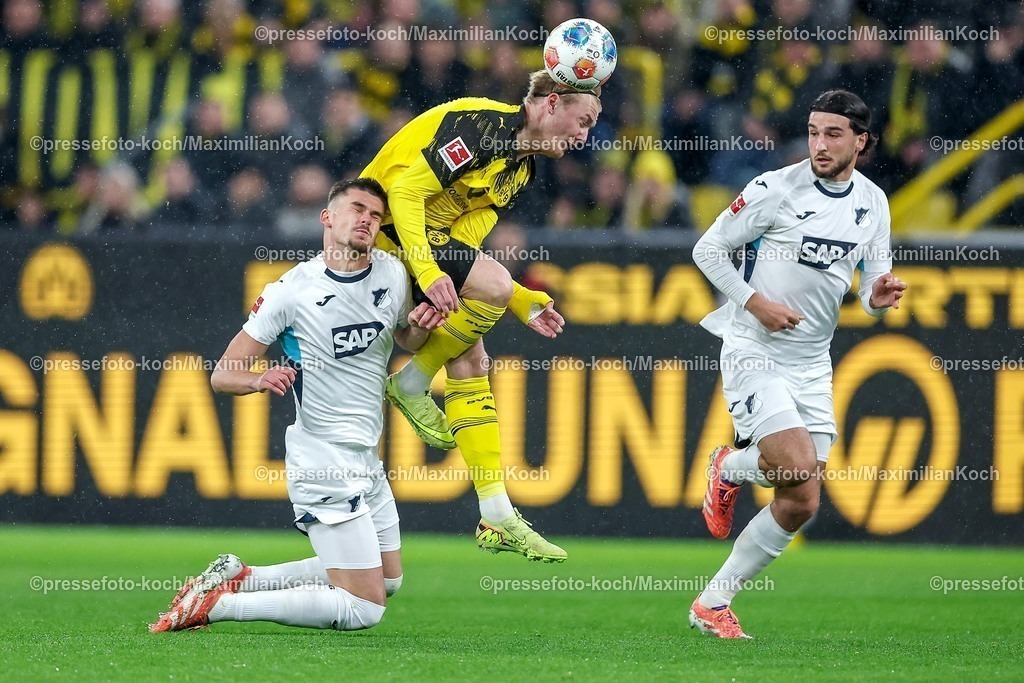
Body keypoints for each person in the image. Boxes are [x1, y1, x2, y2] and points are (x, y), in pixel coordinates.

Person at [150, 178, 444, 633]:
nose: (367, 219)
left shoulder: (392, 273)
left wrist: (421, 328)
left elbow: (403, 336)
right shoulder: (292, 291)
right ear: (327, 217)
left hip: (366, 455)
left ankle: (239, 580)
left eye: (376, 214)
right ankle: (216, 608)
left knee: (389, 580)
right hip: (322, 459)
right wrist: (258, 378)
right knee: (364, 609)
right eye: (357, 208)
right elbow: (223, 374)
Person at [359, 70, 604, 562]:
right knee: (489, 288)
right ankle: (411, 383)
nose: (585, 136)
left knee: (473, 360)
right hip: (374, 233)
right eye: (583, 120)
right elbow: (405, 193)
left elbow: (464, 239)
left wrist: (508, 298)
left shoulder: (520, 171)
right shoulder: (481, 129)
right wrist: (432, 275)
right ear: (551, 104)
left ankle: (496, 513)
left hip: (415, 246)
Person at [690, 90, 907, 638]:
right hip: (753, 347)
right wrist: (754, 302)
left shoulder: (874, 202)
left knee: (801, 499)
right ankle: (731, 468)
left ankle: (713, 601)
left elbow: (870, 282)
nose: (820, 144)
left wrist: (875, 297)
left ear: (861, 140)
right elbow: (708, 250)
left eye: (833, 134)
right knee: (792, 465)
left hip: (812, 361)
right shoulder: (773, 189)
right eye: (813, 132)